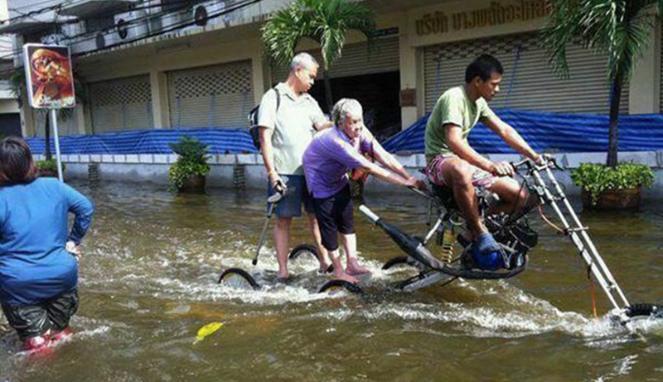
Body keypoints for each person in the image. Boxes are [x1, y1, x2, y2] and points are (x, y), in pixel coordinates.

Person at [424, 54, 544, 262]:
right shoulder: (454, 97)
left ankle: (472, 229)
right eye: (494, 84)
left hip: (463, 163)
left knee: (522, 197)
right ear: (478, 81)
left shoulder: (478, 103)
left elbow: (505, 130)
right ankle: (479, 231)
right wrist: (490, 165)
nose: (497, 90)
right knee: (461, 169)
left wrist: (534, 156)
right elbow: (453, 141)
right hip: (440, 161)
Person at [303, 98, 426, 284]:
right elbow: (370, 167)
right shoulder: (335, 141)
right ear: (340, 123)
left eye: (360, 120)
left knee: (347, 221)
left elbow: (381, 154)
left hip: (338, 179)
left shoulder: (360, 131)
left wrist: (407, 175)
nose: (359, 126)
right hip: (319, 183)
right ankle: (338, 270)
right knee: (329, 227)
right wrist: (404, 183)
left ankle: (352, 263)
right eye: (353, 122)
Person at [0, 137, 94, 352]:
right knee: (61, 332)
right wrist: (73, 241)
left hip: (18, 282)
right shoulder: (54, 186)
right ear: (29, 161)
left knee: (38, 345)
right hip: (62, 274)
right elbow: (86, 208)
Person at [257, 52, 334, 280]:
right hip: (285, 172)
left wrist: (341, 121)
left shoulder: (310, 102)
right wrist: (272, 174)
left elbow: (321, 127)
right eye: (310, 76)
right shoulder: (273, 97)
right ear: (297, 70)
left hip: (312, 172)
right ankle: (283, 271)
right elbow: (265, 138)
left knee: (317, 217)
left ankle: (326, 262)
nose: (312, 82)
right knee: (283, 220)